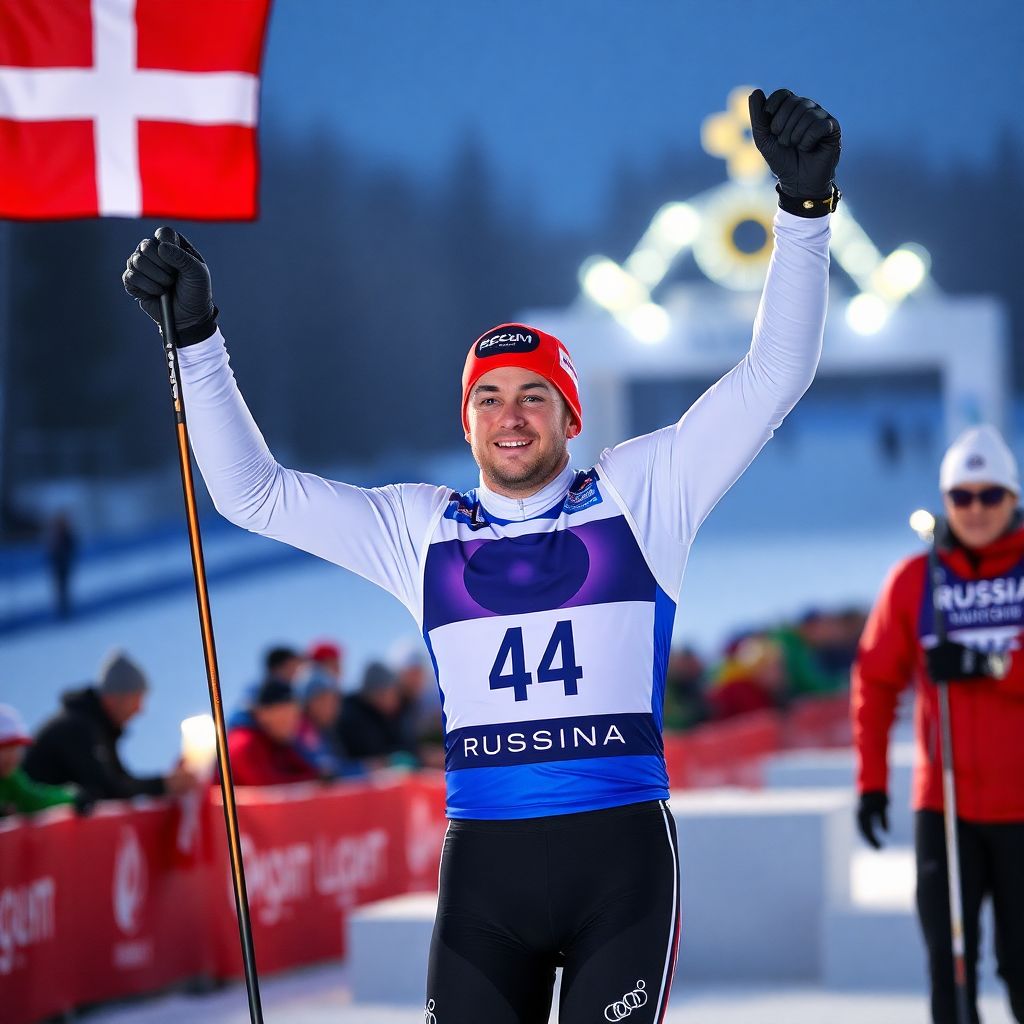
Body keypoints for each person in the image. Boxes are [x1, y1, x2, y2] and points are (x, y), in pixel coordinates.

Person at [123, 86, 839, 1023]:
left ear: (571, 416)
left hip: (618, 865)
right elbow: (252, 494)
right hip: (485, 876)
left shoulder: (640, 492)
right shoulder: (423, 530)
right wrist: (198, 344)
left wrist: (804, 219)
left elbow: (774, 374)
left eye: (534, 395)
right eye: (489, 397)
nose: (511, 414)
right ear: (465, 423)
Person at [852, 425, 1024, 1024]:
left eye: (990, 495)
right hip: (946, 806)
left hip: (1020, 807)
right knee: (951, 968)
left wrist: (987, 664)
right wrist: (871, 783)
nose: (976, 510)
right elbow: (874, 684)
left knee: (1021, 964)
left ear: (1013, 498)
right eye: (962, 497)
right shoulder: (916, 579)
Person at [23, 649, 196, 801]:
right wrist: (163, 784)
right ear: (113, 699)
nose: (140, 710)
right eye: (135, 700)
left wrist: (166, 782)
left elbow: (118, 780)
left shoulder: (96, 725)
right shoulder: (79, 729)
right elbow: (107, 789)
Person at [227, 678, 321, 787]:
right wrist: (315, 782)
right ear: (263, 714)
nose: (291, 725)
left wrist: (320, 777)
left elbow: (303, 769)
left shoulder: (277, 739)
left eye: (295, 718)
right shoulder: (243, 744)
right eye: (284, 718)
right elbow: (268, 789)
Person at [0, 704, 86, 817]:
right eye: (6, 747)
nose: (13, 756)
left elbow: (33, 800)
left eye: (16, 748)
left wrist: (72, 796)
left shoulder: (11, 778)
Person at [337, 661, 416, 762]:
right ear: (375, 694)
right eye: (391, 692)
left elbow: (402, 744)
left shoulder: (387, 714)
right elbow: (372, 753)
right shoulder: (351, 715)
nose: (395, 698)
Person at [296, 669, 365, 779]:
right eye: (322, 700)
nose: (332, 707)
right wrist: (366, 768)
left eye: (334, 700)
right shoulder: (303, 730)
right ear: (307, 703)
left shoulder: (327, 730)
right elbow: (327, 774)